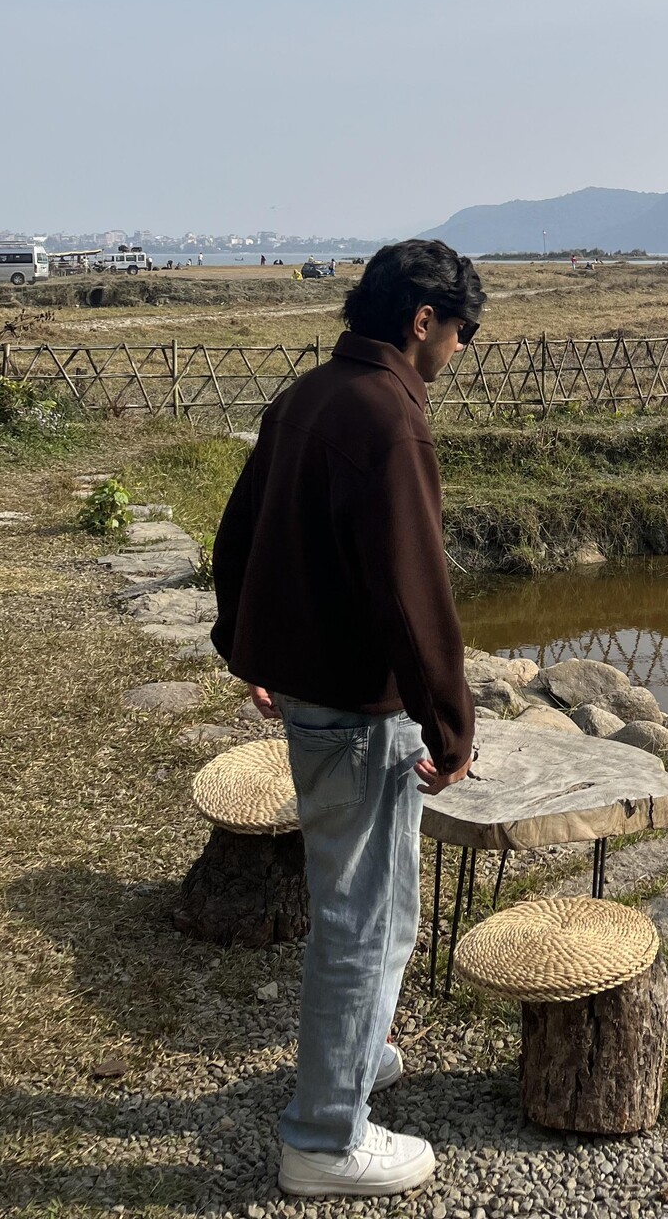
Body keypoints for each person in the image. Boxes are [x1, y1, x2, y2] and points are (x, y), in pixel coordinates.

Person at [211, 238, 482, 1199]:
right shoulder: (387, 418)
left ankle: (357, 1055)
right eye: (461, 331)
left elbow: (239, 533)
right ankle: (325, 1138)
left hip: (311, 690)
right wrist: (451, 725)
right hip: (360, 712)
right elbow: (412, 594)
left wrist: (250, 646)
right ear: (423, 320)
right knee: (363, 918)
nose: (459, 351)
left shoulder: (311, 394)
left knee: (372, 903)